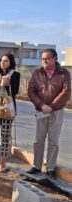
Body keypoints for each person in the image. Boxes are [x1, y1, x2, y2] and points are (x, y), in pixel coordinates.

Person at [27, 48, 71, 179]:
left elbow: (66, 92)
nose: (44, 61)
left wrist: (51, 107)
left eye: (47, 58)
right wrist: (41, 105)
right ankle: (36, 166)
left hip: (56, 111)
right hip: (41, 111)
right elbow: (31, 91)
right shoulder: (36, 73)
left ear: (55, 59)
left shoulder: (64, 73)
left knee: (53, 141)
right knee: (38, 140)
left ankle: (50, 168)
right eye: (42, 59)